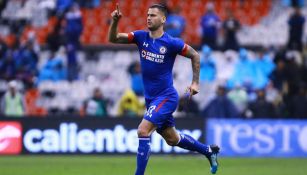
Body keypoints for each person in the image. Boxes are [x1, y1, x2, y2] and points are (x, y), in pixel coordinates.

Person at [108, 3, 219, 175]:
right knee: (172, 139)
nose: (148, 18)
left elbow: (195, 55)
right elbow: (113, 39)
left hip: (167, 97)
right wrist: (115, 21)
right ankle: (208, 151)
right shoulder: (140, 37)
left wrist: (195, 83)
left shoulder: (171, 43)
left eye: (153, 15)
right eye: (147, 15)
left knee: (143, 130)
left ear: (163, 19)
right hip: (151, 99)